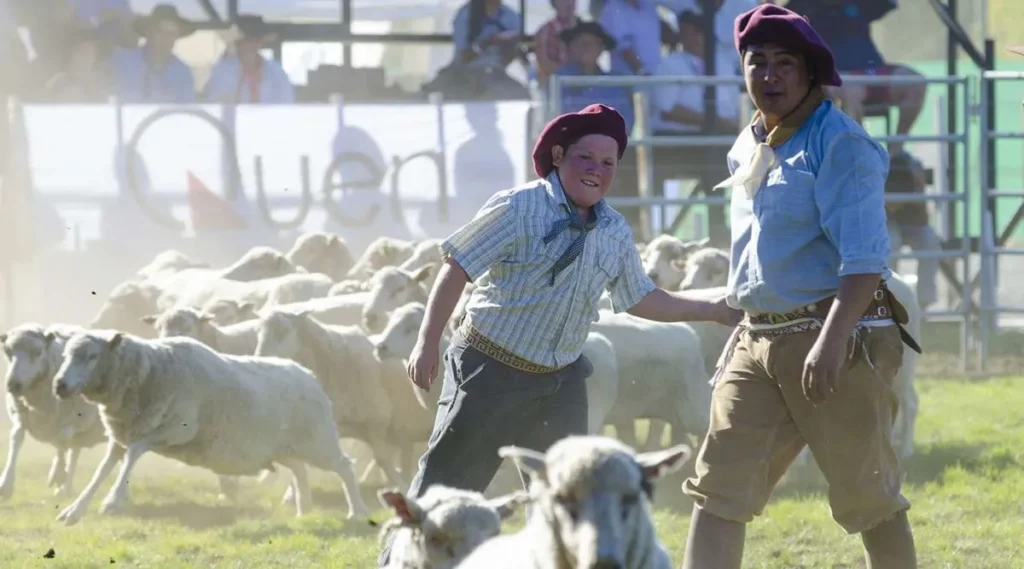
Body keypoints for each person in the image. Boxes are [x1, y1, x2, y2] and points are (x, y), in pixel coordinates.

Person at [376, 103, 743, 567]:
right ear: (557, 155)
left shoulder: (612, 230)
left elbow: (639, 298)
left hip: (561, 381)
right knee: (445, 491)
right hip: (488, 371)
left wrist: (713, 310)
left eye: (608, 163)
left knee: (572, 493)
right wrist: (428, 342)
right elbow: (456, 267)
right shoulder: (518, 206)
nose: (597, 170)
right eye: (585, 157)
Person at [679, 5, 920, 569]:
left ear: (811, 71)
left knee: (870, 500)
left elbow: (864, 261)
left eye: (785, 63)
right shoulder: (748, 141)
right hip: (755, 338)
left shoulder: (841, 144)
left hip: (839, 335)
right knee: (717, 491)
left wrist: (831, 343)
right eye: (756, 61)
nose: (769, 74)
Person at [108, 3, 196, 103]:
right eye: (160, 31)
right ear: (149, 32)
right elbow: (106, 100)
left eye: (172, 34)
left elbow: (187, 112)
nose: (166, 38)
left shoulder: (182, 73)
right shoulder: (121, 62)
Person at [203, 14, 295, 104]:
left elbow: (286, 105)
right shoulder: (223, 71)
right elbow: (214, 103)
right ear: (237, 44)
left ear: (261, 43)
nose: (250, 45)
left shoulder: (276, 72)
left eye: (255, 40)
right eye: (245, 41)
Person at [532, 0, 581, 89]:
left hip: (584, 84)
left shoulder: (586, 29)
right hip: (554, 87)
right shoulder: (545, 31)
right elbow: (543, 64)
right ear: (554, 3)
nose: (568, 3)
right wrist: (567, 75)